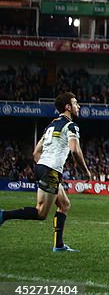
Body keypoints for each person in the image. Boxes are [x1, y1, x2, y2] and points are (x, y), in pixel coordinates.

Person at [0, 92, 92, 252]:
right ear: (68, 107)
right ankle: (3, 215)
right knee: (41, 212)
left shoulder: (51, 126)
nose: (79, 106)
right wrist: (86, 171)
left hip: (43, 167)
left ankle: (59, 245)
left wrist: (44, 166)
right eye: (76, 103)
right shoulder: (71, 126)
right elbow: (75, 150)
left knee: (64, 204)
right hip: (50, 170)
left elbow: (36, 153)